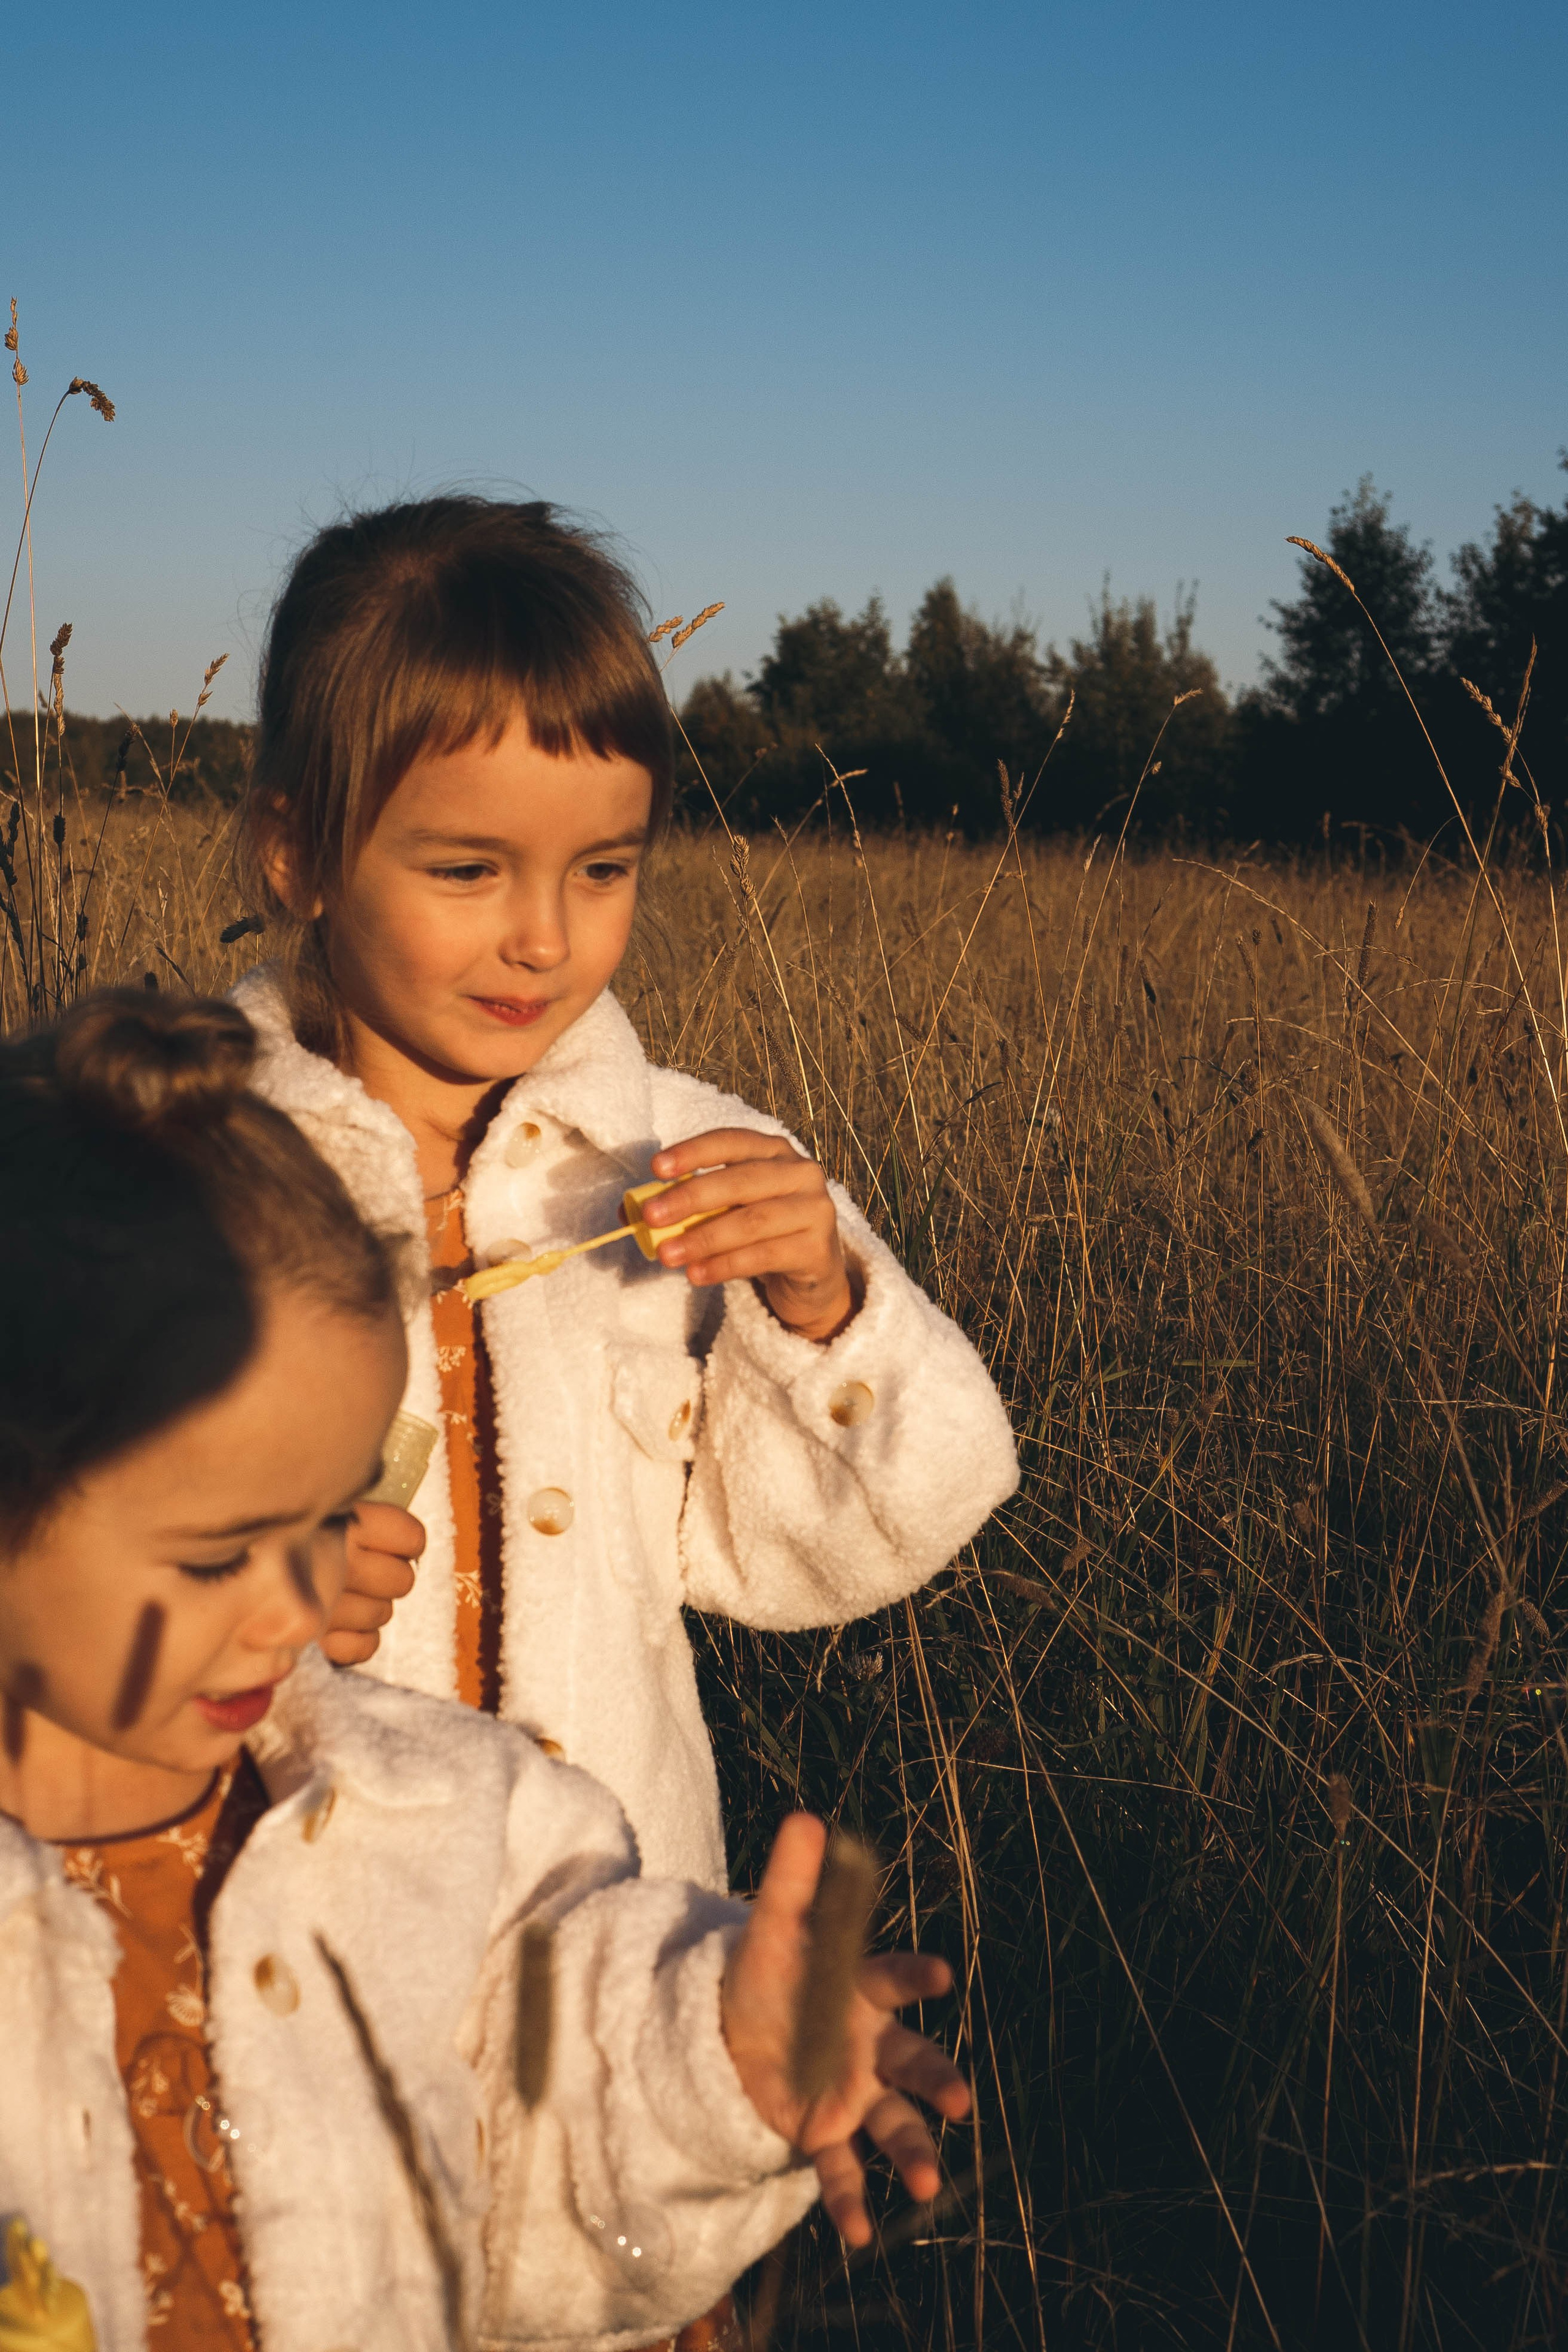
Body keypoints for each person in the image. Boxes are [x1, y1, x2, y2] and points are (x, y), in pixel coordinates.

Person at [0, 990, 970, 2352]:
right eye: (221, 1554)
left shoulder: (443, 1823)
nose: (300, 1609)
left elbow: (535, 2166)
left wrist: (711, 2072)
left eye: (336, 1516)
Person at [231, 493, 1019, 1902]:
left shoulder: (687, 1164)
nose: (542, 934)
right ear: (295, 852)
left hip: (619, 1946)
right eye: (467, 869)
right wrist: (231, 1592)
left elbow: (849, 1540)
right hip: (303, 1977)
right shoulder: (172, 1175)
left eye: (603, 869)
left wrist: (822, 1304)